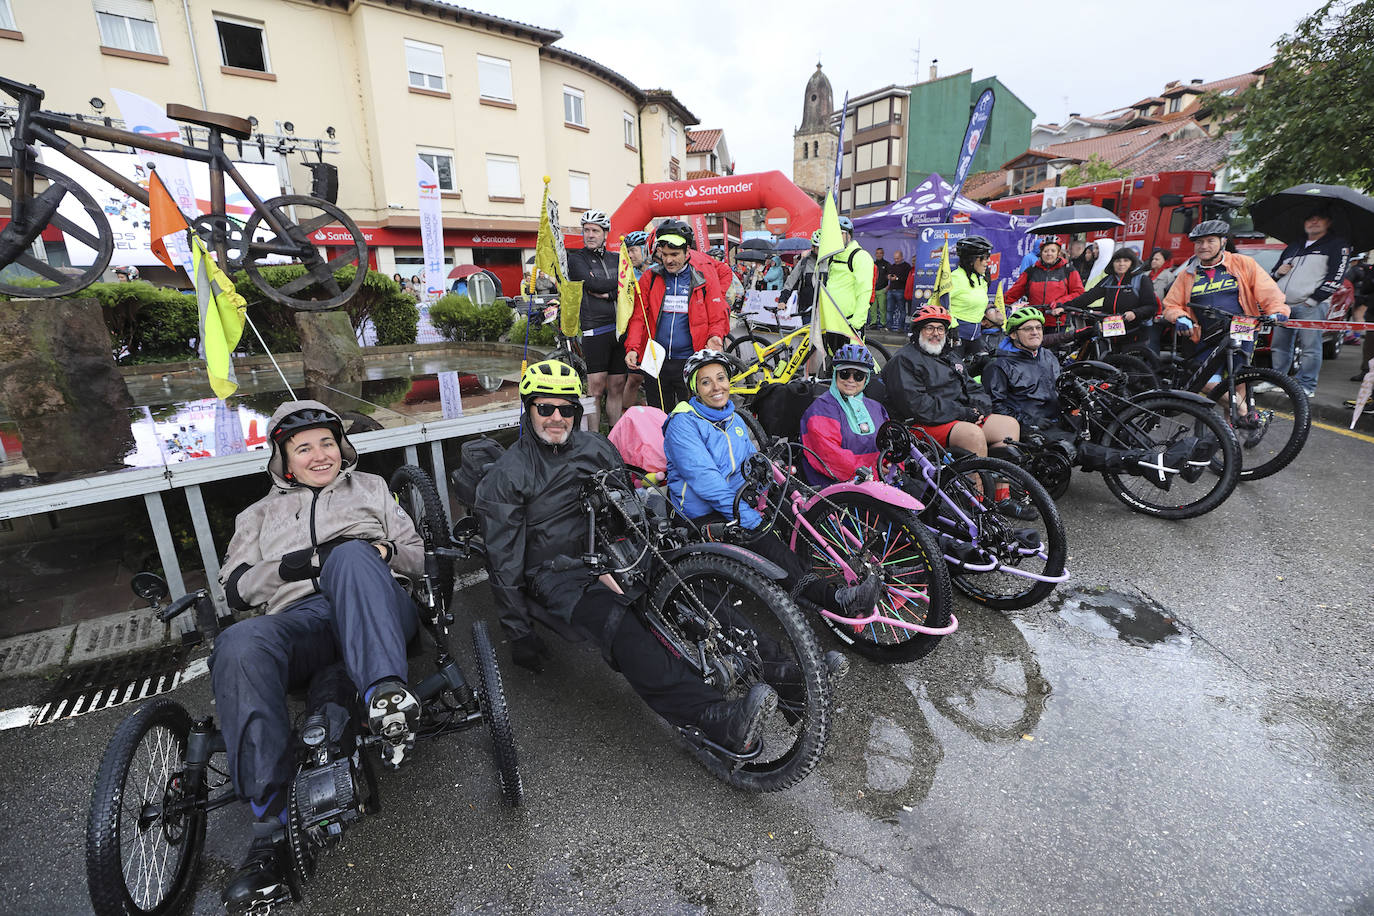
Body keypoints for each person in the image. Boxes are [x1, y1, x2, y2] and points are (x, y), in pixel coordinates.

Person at [474, 359, 779, 755]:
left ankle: (782, 670)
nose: (555, 418)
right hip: (558, 573)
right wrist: (519, 634)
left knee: (689, 586)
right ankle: (714, 718)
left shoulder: (595, 447)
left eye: (565, 409)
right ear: (528, 408)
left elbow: (627, 499)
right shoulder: (509, 474)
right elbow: (503, 561)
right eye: (544, 408)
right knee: (622, 624)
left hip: (613, 546)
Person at [210, 401, 425, 912]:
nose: (319, 454)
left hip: (376, 603)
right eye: (303, 447)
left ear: (341, 447)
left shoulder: (371, 489)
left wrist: (382, 553)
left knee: (350, 555)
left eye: (327, 442)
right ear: (284, 459)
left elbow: (419, 556)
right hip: (301, 620)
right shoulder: (257, 515)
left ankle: (383, 696)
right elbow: (235, 591)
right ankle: (269, 838)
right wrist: (301, 565)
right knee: (239, 642)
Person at [663, 349, 883, 617]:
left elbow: (749, 462)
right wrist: (749, 517)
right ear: (695, 389)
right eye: (706, 381)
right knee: (766, 539)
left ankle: (806, 580)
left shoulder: (730, 417)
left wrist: (774, 482)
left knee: (794, 512)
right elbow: (706, 481)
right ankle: (836, 599)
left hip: (738, 498)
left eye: (720, 378)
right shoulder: (683, 423)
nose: (716, 387)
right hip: (702, 513)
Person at [880, 304, 1022, 453]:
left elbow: (973, 387)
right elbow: (916, 405)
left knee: (1009, 425)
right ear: (918, 331)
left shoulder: (950, 356)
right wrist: (962, 413)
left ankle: (1001, 473)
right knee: (972, 434)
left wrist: (980, 409)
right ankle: (977, 476)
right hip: (920, 424)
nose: (936, 333)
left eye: (940, 329)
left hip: (957, 417)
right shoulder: (904, 360)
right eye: (929, 328)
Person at [1160, 220, 1288, 383]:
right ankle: (1240, 410)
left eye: (1210, 241)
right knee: (1207, 383)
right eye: (1199, 242)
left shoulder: (1243, 263)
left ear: (1223, 242)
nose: (1204, 246)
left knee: (1239, 380)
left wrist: (1278, 311)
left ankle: (1238, 408)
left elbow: (1268, 291)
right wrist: (1179, 316)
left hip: (1242, 329)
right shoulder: (1188, 273)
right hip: (1207, 335)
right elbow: (1171, 304)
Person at [624, 224, 728, 411]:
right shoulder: (650, 277)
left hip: (689, 360)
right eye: (664, 255)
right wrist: (632, 347)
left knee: (690, 416)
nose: (668, 260)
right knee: (658, 415)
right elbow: (639, 317)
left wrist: (715, 335)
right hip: (655, 360)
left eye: (674, 255)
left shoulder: (703, 278)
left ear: (687, 250)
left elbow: (717, 315)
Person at [1266, 206, 1352, 397]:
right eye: (1309, 219)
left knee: (1310, 348)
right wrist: (1277, 272)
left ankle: (1307, 386)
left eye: (1319, 219)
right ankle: (1278, 381)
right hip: (1283, 306)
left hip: (1311, 306)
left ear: (1328, 223)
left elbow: (1335, 278)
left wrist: (1312, 301)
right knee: (1279, 346)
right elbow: (1274, 273)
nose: (1313, 222)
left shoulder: (1338, 245)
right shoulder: (1294, 244)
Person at [566, 209, 628, 427]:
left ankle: (614, 437)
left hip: (620, 329)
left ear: (605, 234)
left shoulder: (617, 258)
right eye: (586, 230)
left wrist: (610, 292)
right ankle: (593, 439)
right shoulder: (576, 259)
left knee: (618, 385)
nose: (590, 235)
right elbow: (592, 285)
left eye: (595, 230)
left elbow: (627, 285)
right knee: (596, 389)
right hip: (595, 329)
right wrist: (616, 285)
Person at [799, 343, 890, 485]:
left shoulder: (877, 408)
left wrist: (893, 465)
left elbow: (889, 444)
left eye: (859, 376)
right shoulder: (821, 410)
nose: (851, 380)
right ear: (835, 374)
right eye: (845, 373)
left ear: (866, 379)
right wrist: (874, 472)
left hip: (877, 483)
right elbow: (831, 458)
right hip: (836, 489)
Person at [982, 306, 1064, 430]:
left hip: (1059, 420)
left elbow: (1060, 386)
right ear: (1014, 334)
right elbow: (995, 406)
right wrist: (1029, 421)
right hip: (1030, 430)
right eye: (1028, 329)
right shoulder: (998, 365)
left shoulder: (1047, 355)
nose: (1035, 332)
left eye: (1038, 328)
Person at [1064, 246, 1158, 349]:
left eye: (1126, 261)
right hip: (1110, 332)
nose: (1121, 264)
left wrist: (1135, 313)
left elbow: (1151, 306)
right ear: (1112, 263)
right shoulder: (1109, 280)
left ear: (1132, 263)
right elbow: (1089, 296)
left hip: (1134, 333)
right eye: (1117, 261)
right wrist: (1065, 306)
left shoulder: (1141, 279)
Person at [1004, 239, 1084, 330]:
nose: (1049, 254)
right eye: (1045, 251)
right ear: (1041, 253)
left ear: (1058, 253)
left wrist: (1060, 302)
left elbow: (1079, 293)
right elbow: (1014, 292)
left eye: (1053, 251)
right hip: (1035, 321)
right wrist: (999, 305)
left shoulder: (1068, 269)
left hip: (1058, 321)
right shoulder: (1032, 270)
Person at [949, 235, 1000, 356]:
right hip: (956, 337)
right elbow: (934, 303)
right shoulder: (955, 278)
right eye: (985, 258)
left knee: (981, 369)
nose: (988, 261)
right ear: (972, 260)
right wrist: (951, 325)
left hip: (975, 336)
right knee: (953, 372)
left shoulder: (980, 279)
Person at [779, 231, 820, 321]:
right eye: (818, 248)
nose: (821, 250)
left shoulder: (830, 261)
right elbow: (791, 280)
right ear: (813, 247)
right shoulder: (805, 262)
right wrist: (782, 299)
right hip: (807, 308)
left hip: (826, 310)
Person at [886, 250, 912, 333]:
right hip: (891, 290)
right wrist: (889, 277)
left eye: (897, 258)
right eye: (894, 258)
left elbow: (907, 279)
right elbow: (888, 275)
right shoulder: (892, 266)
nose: (896, 260)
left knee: (902, 310)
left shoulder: (906, 266)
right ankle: (888, 327)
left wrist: (897, 278)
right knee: (889, 310)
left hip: (901, 290)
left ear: (901, 257)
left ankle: (900, 328)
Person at [871, 247, 890, 330]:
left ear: (883, 254)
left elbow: (891, 276)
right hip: (873, 290)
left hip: (882, 290)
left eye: (880, 253)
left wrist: (888, 287)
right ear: (875, 254)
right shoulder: (872, 264)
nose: (878, 254)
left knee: (882, 308)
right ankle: (873, 323)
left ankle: (883, 324)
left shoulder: (887, 264)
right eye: (877, 253)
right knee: (873, 309)